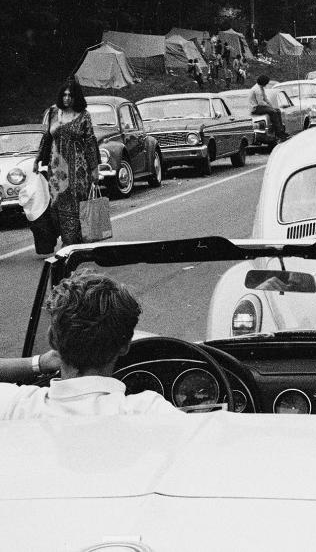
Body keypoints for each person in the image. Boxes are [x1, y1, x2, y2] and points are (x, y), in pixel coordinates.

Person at [0, 272, 181, 418]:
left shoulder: (15, 405)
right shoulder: (150, 410)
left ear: (52, 340)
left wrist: (39, 363)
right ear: (124, 346)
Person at [35, 81, 101, 248]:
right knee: (57, 206)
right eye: (64, 95)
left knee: (77, 206)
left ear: (76, 97)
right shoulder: (54, 113)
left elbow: (90, 142)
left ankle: (70, 243)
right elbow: (46, 138)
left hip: (79, 170)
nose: (66, 98)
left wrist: (94, 168)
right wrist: (38, 160)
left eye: (70, 95)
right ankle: (69, 241)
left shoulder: (84, 115)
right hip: (57, 170)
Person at [248, 75, 288, 141]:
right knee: (273, 112)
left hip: (260, 106)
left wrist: (271, 106)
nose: (266, 84)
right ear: (263, 82)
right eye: (266, 83)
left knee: (277, 110)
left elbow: (266, 99)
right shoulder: (257, 89)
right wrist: (270, 107)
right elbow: (260, 102)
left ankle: (281, 130)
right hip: (255, 108)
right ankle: (278, 133)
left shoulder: (261, 88)